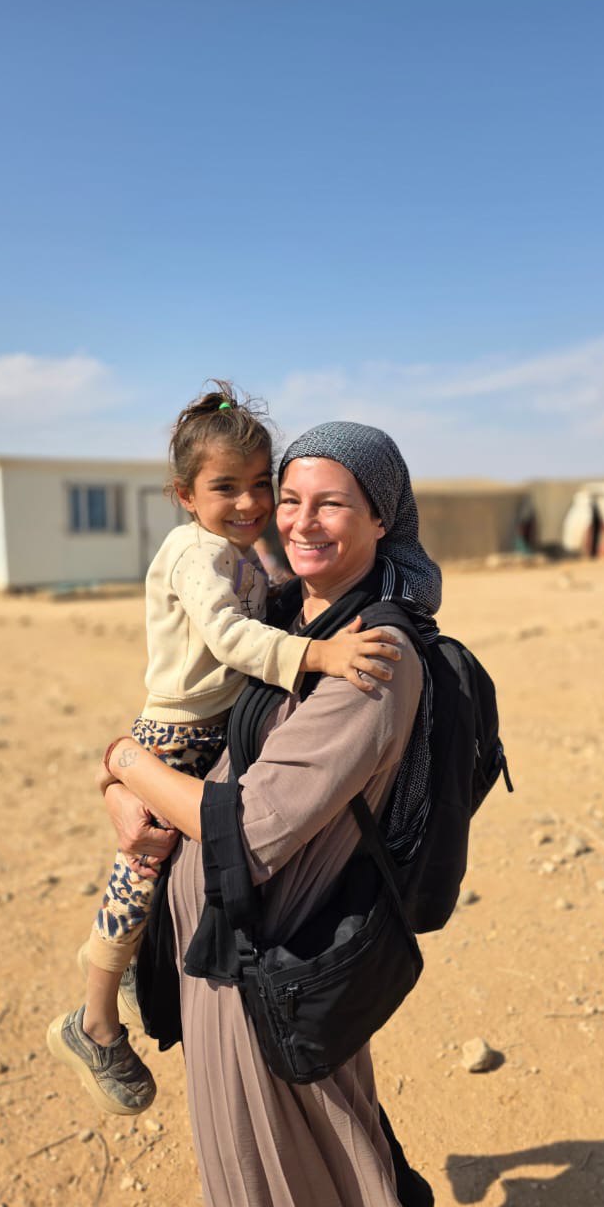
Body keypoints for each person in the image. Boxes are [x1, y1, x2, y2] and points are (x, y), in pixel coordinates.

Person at [97, 421, 489, 1207]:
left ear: (382, 517)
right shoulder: (286, 616)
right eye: (290, 499)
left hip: (272, 969)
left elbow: (248, 827)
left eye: (331, 504)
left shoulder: (372, 655)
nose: (301, 521)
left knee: (300, 1184)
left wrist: (124, 762)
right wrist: (124, 792)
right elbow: (198, 738)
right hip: (228, 965)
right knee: (292, 1169)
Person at [47, 387, 401, 1116]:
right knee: (139, 872)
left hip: (209, 726)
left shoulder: (239, 551)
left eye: (260, 485)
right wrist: (318, 656)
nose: (249, 503)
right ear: (184, 495)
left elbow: (270, 599)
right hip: (179, 731)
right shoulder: (195, 552)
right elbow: (231, 636)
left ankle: (140, 986)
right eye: (225, 488)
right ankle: (94, 1020)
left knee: (166, 871)